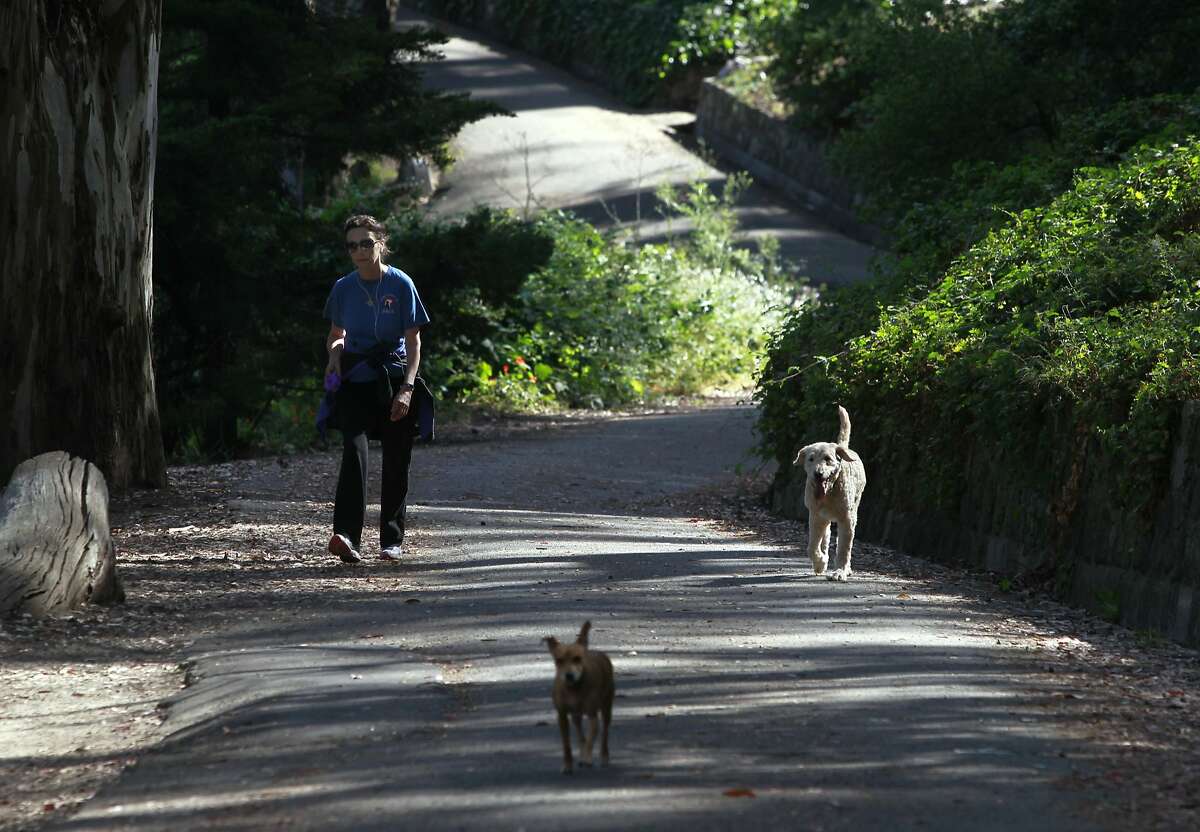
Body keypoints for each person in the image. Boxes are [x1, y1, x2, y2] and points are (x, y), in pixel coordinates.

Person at [323, 214, 430, 563]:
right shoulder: (343, 288)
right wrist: (335, 358)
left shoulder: (401, 284)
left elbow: (414, 342)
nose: (359, 250)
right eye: (352, 245)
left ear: (380, 243)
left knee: (397, 458)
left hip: (394, 376)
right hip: (356, 378)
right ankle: (347, 537)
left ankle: (391, 540)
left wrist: (408, 388)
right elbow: (337, 335)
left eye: (366, 243)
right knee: (354, 452)